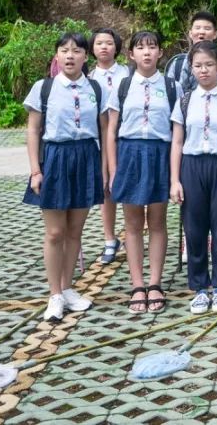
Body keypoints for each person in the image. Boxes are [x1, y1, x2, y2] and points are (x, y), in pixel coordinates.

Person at [23, 32, 107, 321]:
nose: (70, 55)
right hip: (55, 159)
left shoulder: (95, 88)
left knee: (75, 231)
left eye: (76, 51)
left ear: (86, 56)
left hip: (86, 158)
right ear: (56, 56)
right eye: (64, 50)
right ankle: (54, 294)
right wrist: (36, 169)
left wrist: (105, 170)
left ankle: (69, 288)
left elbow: (105, 131)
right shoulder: (43, 88)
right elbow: (33, 130)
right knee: (55, 232)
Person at [170, 41, 217, 314]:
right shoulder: (186, 99)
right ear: (191, 68)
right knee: (195, 228)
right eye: (198, 66)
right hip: (192, 167)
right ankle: (200, 288)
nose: (204, 70)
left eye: (209, 65)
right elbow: (177, 142)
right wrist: (175, 180)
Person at [105, 31, 177, 314]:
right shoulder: (122, 86)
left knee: (158, 222)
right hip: (129, 155)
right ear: (131, 55)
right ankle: (137, 285)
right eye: (140, 48)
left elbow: (177, 131)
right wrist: (113, 169)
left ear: (160, 53)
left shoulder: (172, 86)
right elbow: (111, 131)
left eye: (152, 47)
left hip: (160, 153)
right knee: (133, 224)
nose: (146, 52)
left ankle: (156, 283)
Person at [88, 27, 129, 264]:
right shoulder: (89, 78)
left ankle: (132, 235)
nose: (104, 47)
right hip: (100, 138)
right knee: (106, 189)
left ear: (117, 47)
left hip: (127, 136)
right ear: (92, 49)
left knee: (129, 187)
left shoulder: (128, 73)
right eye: (99, 43)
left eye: (109, 43)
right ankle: (109, 239)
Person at [164, 11, 217, 94]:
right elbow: (169, 92)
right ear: (190, 33)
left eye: (207, 28)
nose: (201, 32)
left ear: (215, 34)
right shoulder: (178, 63)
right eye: (197, 28)